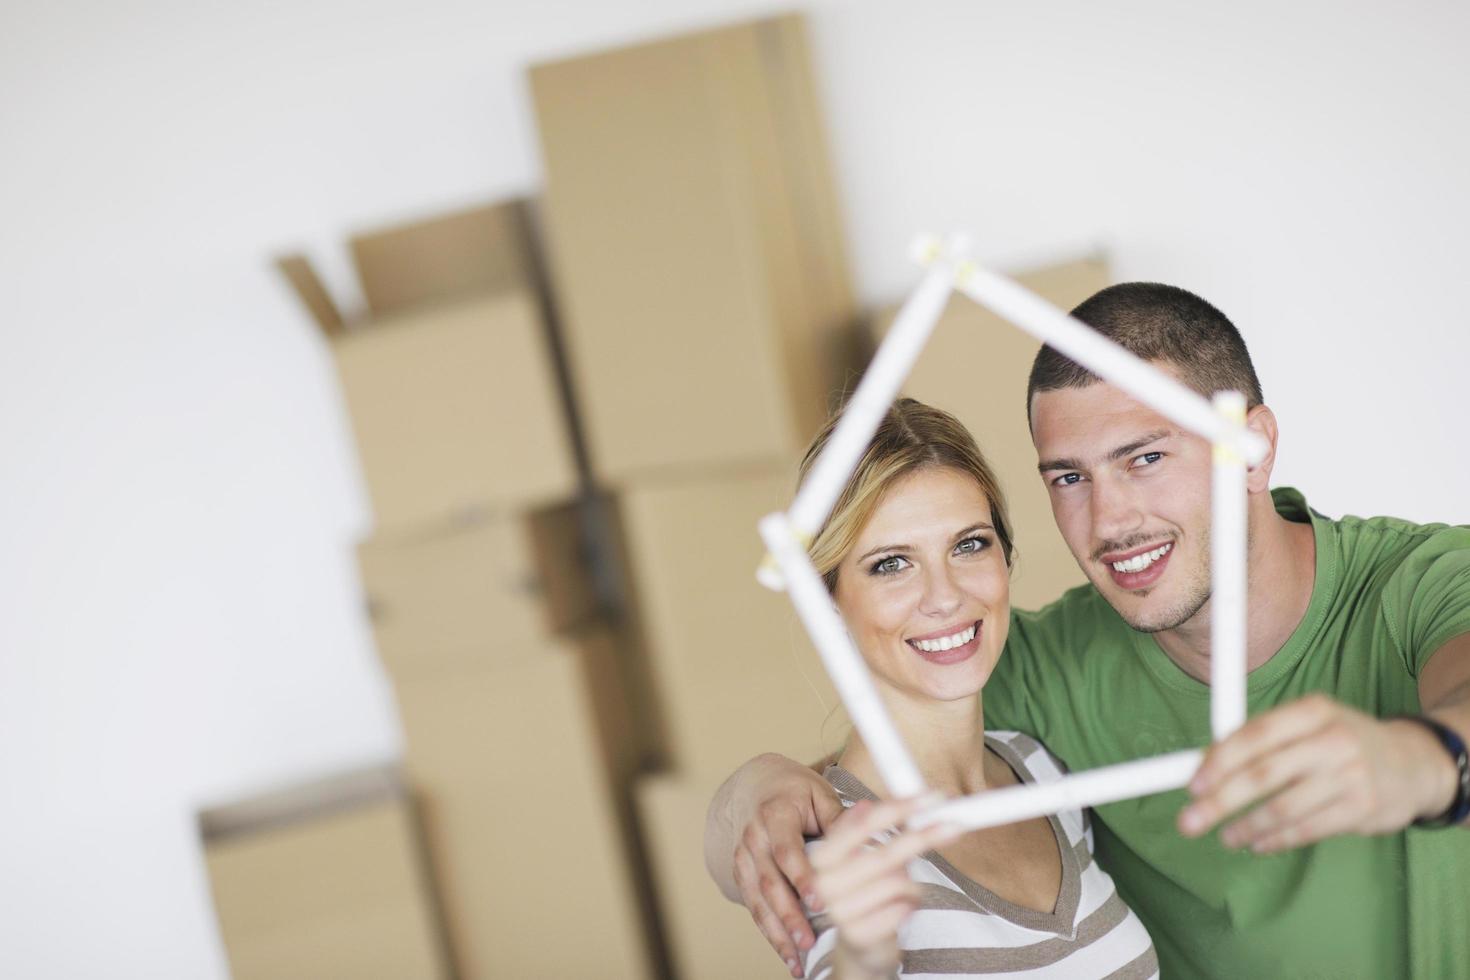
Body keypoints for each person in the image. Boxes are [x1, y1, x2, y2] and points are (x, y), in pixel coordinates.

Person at [705, 283, 1470, 979]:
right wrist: (752, 791)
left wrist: (1423, 761)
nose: (1109, 521)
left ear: (1252, 448)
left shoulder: (1417, 582)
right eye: (1069, 477)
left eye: (1144, 457)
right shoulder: (1044, 667)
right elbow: (877, 767)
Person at [783, 397, 1157, 979]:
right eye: (890, 564)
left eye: (968, 545)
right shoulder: (836, 848)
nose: (946, 596)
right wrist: (865, 955)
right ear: (827, 600)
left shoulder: (1042, 771)